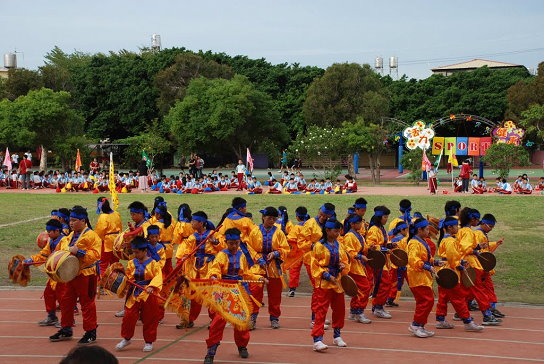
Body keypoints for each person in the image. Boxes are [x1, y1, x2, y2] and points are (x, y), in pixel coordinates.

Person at [204, 228, 265, 364]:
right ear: (226, 242)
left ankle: (242, 345)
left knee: (241, 320)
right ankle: (211, 352)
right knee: (218, 322)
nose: (234, 246)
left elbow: (245, 273)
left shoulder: (241, 255)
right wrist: (214, 276)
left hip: (238, 291)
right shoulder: (221, 255)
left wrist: (258, 278)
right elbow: (215, 269)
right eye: (231, 243)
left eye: (236, 243)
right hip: (224, 291)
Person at [49, 206, 101, 344]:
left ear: (83, 220)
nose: (70, 223)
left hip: (86, 274)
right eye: (70, 220)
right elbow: (59, 251)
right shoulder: (70, 236)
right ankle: (66, 329)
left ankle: (91, 332)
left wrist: (79, 252)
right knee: (66, 301)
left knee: (87, 303)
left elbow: (96, 255)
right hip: (71, 274)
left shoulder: (91, 235)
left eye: (74, 220)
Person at [435, 217, 484, 332]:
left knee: (443, 296)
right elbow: (452, 258)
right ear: (449, 227)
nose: (458, 227)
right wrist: (459, 265)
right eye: (456, 225)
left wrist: (460, 261)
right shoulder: (450, 241)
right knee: (458, 297)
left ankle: (440, 319)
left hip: (443, 271)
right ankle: (467, 322)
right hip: (450, 272)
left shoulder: (448, 239)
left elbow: (452, 256)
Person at [115, 236, 163, 353]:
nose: (135, 254)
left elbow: (158, 276)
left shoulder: (153, 264)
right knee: (129, 316)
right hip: (135, 292)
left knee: (149, 317)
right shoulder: (132, 263)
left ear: (145, 251)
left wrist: (152, 286)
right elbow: (129, 276)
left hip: (148, 294)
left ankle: (149, 341)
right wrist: (127, 280)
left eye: (137, 252)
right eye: (134, 252)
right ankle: (126, 338)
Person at [177, 211, 223, 328]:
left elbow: (223, 248)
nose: (191, 223)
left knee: (210, 294)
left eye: (193, 221)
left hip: (208, 266)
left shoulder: (213, 234)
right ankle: (188, 319)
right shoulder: (192, 237)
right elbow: (186, 250)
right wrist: (185, 256)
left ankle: (214, 320)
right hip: (194, 268)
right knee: (191, 293)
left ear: (201, 223)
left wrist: (215, 242)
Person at [310, 218, 350, 352]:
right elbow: (314, 265)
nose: (338, 233)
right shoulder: (319, 245)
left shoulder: (340, 245)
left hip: (337, 281)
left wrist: (343, 265)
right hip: (324, 283)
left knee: (339, 309)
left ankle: (337, 335)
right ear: (327, 231)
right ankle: (317, 339)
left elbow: (345, 260)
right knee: (321, 311)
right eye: (335, 231)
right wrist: (327, 275)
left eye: (339, 231)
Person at [457, 208, 502, 325]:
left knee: (465, 290)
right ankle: (487, 315)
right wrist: (477, 248)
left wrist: (477, 250)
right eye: (477, 219)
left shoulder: (462, 231)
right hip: (471, 264)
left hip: (465, 264)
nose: (478, 221)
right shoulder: (468, 232)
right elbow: (465, 248)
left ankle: (460, 312)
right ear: (472, 220)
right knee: (479, 290)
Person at [247, 207, 289, 329]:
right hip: (258, 265)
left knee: (275, 293)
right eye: (269, 218)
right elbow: (249, 248)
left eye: (274, 218)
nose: (271, 220)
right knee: (255, 291)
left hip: (273, 265)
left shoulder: (279, 232)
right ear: (263, 217)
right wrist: (257, 258)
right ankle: (253, 317)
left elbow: (286, 248)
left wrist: (276, 253)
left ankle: (274, 318)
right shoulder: (255, 231)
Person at [23, 219, 67, 326]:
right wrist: (32, 260)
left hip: (62, 274)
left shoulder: (64, 241)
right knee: (48, 294)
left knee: (63, 297)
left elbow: (64, 256)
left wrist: (53, 259)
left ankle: (67, 319)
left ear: (57, 231)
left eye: (50, 231)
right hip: (53, 274)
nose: (48, 233)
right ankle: (52, 317)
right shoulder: (51, 241)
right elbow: (44, 255)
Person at [407, 218, 440, 338]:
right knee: (426, 300)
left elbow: (426, 258)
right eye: (426, 229)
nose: (428, 231)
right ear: (419, 230)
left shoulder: (422, 241)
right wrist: (427, 266)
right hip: (417, 276)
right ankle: (415, 325)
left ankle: (420, 325)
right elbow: (413, 260)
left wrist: (435, 262)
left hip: (423, 276)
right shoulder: (414, 243)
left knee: (427, 301)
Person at [473, 214, 506, 318]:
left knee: (485, 288)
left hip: (482, 266)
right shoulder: (478, 234)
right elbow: (480, 251)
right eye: (490, 226)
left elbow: (485, 248)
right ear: (483, 223)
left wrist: (496, 243)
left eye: (492, 227)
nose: (491, 229)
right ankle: (489, 310)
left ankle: (490, 307)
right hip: (480, 267)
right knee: (480, 289)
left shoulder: (482, 233)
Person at [343, 214, 372, 324]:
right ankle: (359, 312)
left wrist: (369, 248)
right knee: (365, 288)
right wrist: (360, 256)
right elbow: (349, 252)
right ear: (352, 224)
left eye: (361, 222)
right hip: (353, 266)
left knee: (358, 289)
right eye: (359, 223)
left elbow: (363, 248)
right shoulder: (349, 236)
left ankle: (354, 310)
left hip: (359, 265)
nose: (361, 225)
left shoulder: (358, 234)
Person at [366, 206, 393, 319]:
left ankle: (378, 306)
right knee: (383, 284)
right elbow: (370, 245)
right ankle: (378, 307)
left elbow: (384, 243)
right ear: (379, 217)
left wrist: (390, 245)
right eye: (385, 217)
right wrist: (383, 248)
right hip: (378, 261)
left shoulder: (381, 228)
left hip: (384, 260)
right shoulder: (374, 229)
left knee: (384, 284)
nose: (386, 219)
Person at [94, 197, 122, 277]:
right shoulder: (116, 213)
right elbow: (120, 226)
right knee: (115, 262)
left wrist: (97, 241)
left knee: (102, 264)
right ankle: (117, 281)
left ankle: (101, 284)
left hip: (107, 242)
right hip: (117, 240)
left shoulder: (103, 217)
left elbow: (99, 231)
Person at [286, 206, 310, 297]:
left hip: (298, 252)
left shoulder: (296, 227)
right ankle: (316, 288)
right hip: (308, 251)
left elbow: (291, 239)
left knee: (294, 270)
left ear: (297, 216)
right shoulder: (310, 226)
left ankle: (292, 289)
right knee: (311, 270)